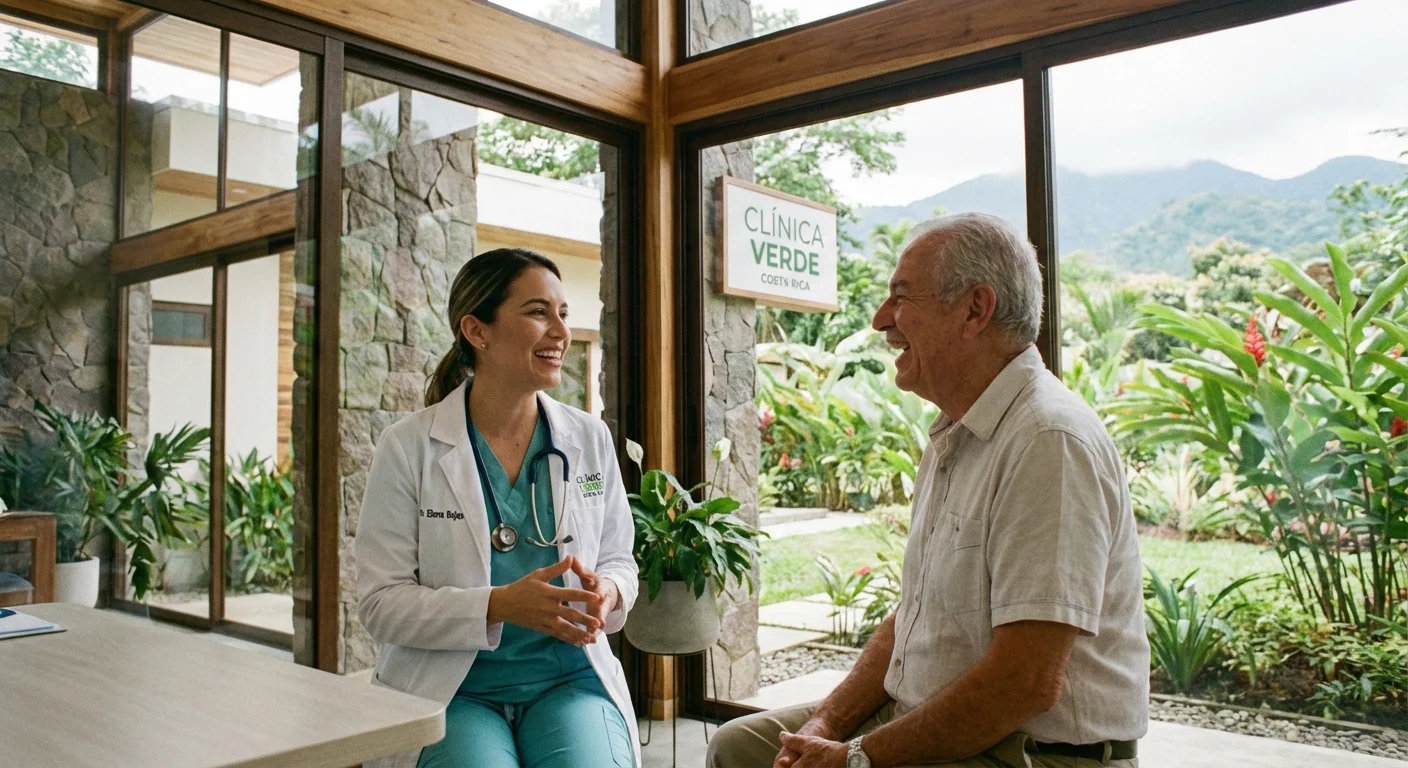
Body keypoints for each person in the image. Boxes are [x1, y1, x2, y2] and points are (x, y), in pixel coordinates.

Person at [707, 213, 1149, 768]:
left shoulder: (1047, 440)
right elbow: (915, 616)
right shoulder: (957, 432)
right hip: (926, 715)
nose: (879, 320)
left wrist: (855, 758)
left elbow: (1026, 682)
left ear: (974, 310)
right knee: (741, 748)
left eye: (900, 297)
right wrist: (825, 725)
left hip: (1032, 753)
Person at [356, 248, 639, 768]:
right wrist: (497, 605)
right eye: (537, 312)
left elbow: (621, 557)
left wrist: (609, 590)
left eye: (563, 314)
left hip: (570, 681)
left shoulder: (588, 437)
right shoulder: (409, 447)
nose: (560, 331)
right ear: (477, 331)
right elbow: (380, 604)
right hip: (453, 688)